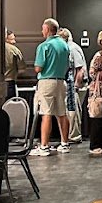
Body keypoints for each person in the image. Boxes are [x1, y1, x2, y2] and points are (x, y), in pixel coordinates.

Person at [33, 18, 71, 154]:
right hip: (61, 81)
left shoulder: (44, 46)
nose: (42, 31)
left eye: (43, 29)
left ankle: (44, 146)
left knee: (46, 113)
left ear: (48, 29)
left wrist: (37, 67)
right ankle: (65, 143)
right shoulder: (64, 45)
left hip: (47, 82)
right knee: (62, 113)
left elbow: (38, 68)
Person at [59, 27, 87, 140]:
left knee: (73, 111)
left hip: (77, 85)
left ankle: (74, 136)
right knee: (72, 111)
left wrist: (75, 86)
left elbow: (80, 69)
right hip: (75, 84)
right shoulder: (71, 47)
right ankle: (72, 135)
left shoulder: (72, 48)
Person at [4, 29, 24, 99]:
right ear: (6, 39)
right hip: (10, 82)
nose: (14, 42)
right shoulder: (14, 50)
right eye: (12, 39)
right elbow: (22, 69)